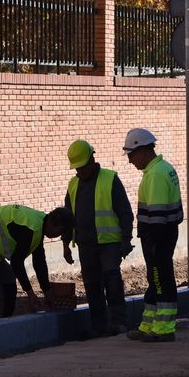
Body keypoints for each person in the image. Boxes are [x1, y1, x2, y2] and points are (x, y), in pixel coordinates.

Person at [0, 204, 75, 354]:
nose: (58, 236)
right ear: (56, 225)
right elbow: (17, 262)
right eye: (61, 232)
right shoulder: (31, 228)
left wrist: (47, 292)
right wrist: (30, 293)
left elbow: (39, 262)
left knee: (8, 281)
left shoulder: (39, 225)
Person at [62, 139, 134, 338]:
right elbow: (67, 217)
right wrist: (66, 244)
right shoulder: (73, 184)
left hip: (109, 242)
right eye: (76, 168)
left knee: (111, 280)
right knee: (92, 285)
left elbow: (125, 213)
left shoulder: (110, 179)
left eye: (82, 167)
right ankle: (99, 325)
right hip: (85, 244)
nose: (79, 171)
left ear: (92, 158)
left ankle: (119, 322)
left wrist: (126, 239)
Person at [122, 128, 183, 342]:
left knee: (160, 279)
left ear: (143, 150)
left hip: (158, 236)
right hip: (163, 234)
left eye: (131, 155)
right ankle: (149, 324)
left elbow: (157, 214)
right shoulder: (162, 169)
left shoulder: (156, 175)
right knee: (155, 279)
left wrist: (153, 242)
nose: (130, 161)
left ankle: (164, 328)